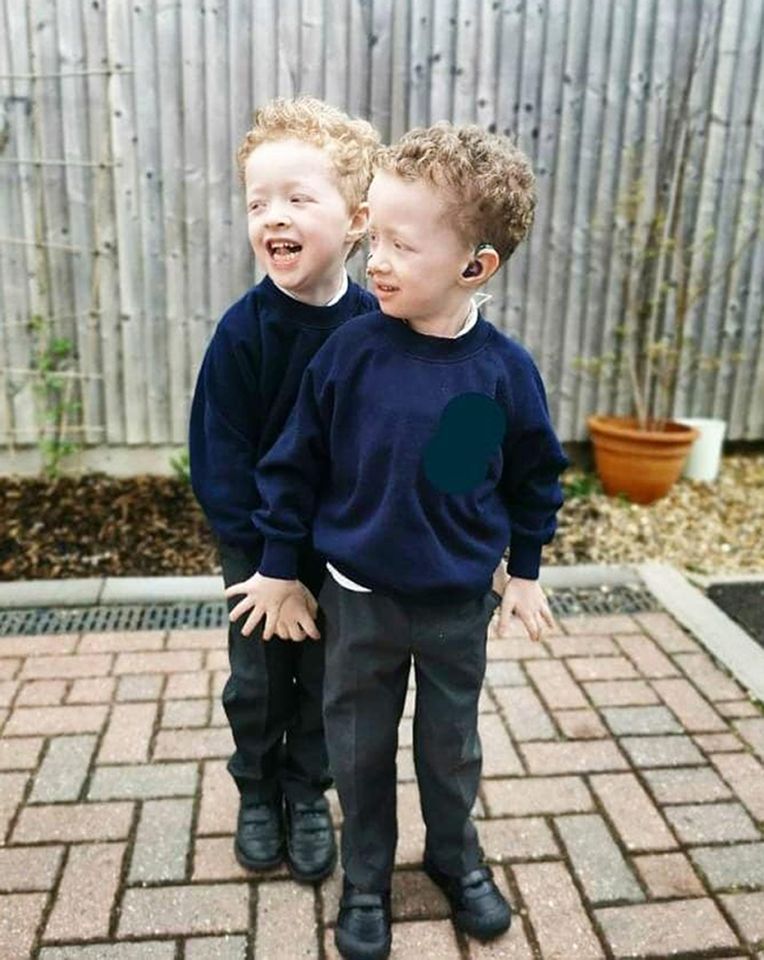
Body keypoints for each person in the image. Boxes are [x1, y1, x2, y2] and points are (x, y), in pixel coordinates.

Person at [226, 123, 569, 960]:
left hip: (454, 607)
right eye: (371, 234)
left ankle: (455, 857)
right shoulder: (349, 353)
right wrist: (277, 565)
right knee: (360, 748)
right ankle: (368, 879)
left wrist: (522, 571)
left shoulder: (502, 373)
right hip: (360, 601)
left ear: (475, 266)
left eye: (398, 244)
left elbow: (530, 477)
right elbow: (291, 466)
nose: (373, 258)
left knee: (450, 751)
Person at [189, 96, 380, 884]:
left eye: (299, 198)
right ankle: (258, 790)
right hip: (257, 553)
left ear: (359, 218)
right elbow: (220, 461)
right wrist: (268, 567)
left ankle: (309, 792)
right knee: (260, 679)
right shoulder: (245, 333)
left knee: (329, 683)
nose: (274, 216)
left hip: (338, 551)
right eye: (258, 202)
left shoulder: (377, 328)